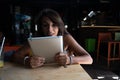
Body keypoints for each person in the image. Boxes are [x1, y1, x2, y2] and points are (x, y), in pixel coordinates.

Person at [9, 8, 93, 68]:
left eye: (54, 25)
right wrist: (26, 61)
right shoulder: (36, 40)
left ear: (59, 25)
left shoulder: (65, 38)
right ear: (41, 27)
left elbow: (89, 59)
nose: (50, 30)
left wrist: (69, 60)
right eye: (45, 25)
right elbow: (15, 56)